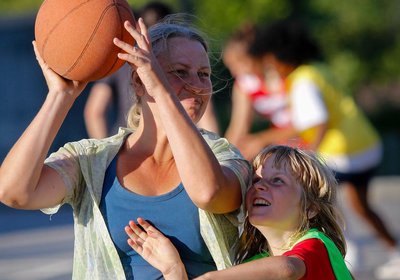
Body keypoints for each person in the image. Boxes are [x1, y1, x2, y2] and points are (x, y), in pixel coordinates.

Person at [0, 16, 251, 279]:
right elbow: (14, 192)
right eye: (179, 72)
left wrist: (163, 90)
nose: (198, 86)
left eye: (204, 74)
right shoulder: (93, 161)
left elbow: (208, 193)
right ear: (139, 81)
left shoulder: (224, 156)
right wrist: (60, 97)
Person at [223, 19, 400, 278]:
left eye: (239, 65)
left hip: (340, 150)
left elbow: (314, 122)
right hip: (360, 143)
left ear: (266, 57)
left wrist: (298, 150)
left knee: (330, 204)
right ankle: (371, 252)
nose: (237, 72)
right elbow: (239, 133)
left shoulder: (298, 79)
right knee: (352, 206)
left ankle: (358, 254)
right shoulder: (309, 71)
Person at [124, 145, 353, 279]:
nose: (260, 186)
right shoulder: (258, 263)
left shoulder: (317, 245)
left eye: (277, 181)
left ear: (310, 208)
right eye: (255, 180)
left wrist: (209, 278)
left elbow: (287, 268)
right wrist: (174, 269)